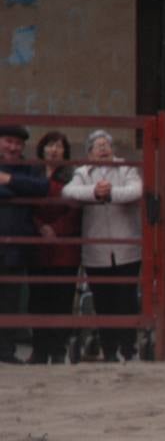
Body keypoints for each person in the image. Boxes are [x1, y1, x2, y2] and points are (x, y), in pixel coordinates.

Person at [62, 129, 142, 363]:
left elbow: (136, 190)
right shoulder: (83, 172)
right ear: (89, 151)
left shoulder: (126, 168)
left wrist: (110, 193)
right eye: (97, 146)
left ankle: (128, 348)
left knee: (127, 299)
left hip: (127, 249)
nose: (103, 149)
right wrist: (94, 192)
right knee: (104, 300)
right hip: (96, 252)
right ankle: (109, 350)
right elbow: (69, 191)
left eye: (106, 144)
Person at [27, 131, 81, 364]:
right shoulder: (32, 174)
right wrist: (40, 227)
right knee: (38, 299)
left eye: (59, 146)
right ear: (42, 149)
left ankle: (57, 350)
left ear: (65, 152)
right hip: (38, 246)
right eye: (50, 145)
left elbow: (75, 210)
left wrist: (55, 229)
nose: (54, 150)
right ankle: (39, 350)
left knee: (61, 299)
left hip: (64, 249)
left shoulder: (73, 176)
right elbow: (26, 206)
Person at [0, 123, 49, 364]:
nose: (13, 147)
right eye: (8, 141)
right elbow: (26, 191)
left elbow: (41, 188)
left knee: (10, 299)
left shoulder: (30, 167)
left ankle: (6, 351)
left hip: (16, 246)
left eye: (18, 143)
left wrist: (7, 179)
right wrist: (17, 190)